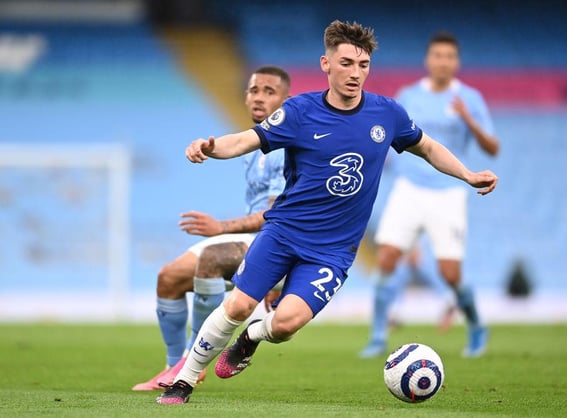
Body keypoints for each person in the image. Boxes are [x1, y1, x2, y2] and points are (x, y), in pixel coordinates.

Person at [156, 20, 498, 405]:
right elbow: (246, 140)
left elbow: (430, 148)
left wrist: (467, 174)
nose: (356, 73)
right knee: (237, 304)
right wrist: (209, 146)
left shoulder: (388, 115)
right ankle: (182, 382)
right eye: (347, 63)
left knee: (285, 325)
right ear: (326, 64)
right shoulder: (299, 112)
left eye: (363, 65)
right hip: (284, 232)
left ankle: (251, 338)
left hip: (333, 251)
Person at [132, 65, 291, 391]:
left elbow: (276, 214)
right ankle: (172, 365)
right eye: (253, 90)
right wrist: (204, 148)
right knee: (169, 278)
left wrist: (220, 227)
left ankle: (192, 361)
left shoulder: (287, 148)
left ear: (286, 101)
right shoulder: (252, 147)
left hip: (279, 241)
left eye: (269, 91)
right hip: (249, 239)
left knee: (213, 259)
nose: (259, 97)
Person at [359, 31, 500, 359]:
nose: (443, 62)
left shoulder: (469, 99)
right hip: (408, 188)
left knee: (450, 274)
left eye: (449, 56)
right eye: (437, 55)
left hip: (448, 193)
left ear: (457, 62)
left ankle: (477, 324)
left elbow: (492, 148)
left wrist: (468, 119)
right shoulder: (409, 95)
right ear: (428, 60)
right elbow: (393, 139)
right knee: (386, 259)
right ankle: (378, 334)